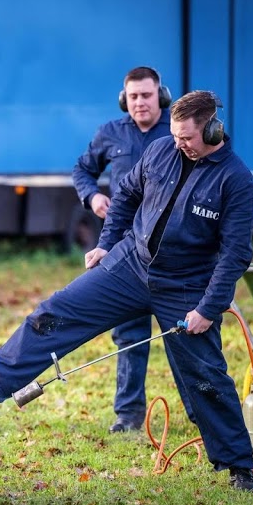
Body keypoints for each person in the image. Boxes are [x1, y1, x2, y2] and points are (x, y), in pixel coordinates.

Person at [0, 90, 253, 494]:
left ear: (213, 128)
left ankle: (239, 468)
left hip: (186, 287)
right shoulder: (161, 151)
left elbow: (235, 255)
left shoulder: (237, 181)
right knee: (52, 315)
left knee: (206, 376)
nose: (180, 144)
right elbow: (125, 196)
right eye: (176, 136)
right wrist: (107, 243)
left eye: (188, 138)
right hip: (129, 265)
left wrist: (208, 309)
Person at [73, 66, 174, 433]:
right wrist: (93, 195)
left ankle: (200, 412)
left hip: (171, 250)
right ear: (124, 99)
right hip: (123, 248)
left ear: (160, 96)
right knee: (130, 333)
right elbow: (82, 170)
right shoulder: (110, 134)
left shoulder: (177, 132)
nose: (140, 103)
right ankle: (128, 415)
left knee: (183, 334)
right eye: (133, 97)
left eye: (146, 95)